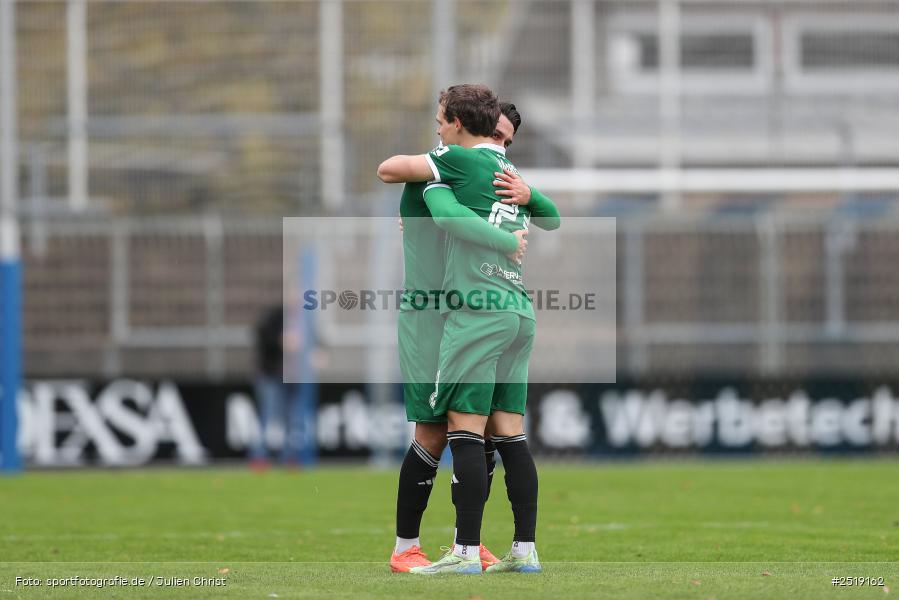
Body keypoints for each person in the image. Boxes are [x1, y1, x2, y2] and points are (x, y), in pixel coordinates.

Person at [379, 84, 560, 574]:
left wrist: (524, 204)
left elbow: (541, 216)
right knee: (435, 431)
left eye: (507, 142)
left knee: (475, 430)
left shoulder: (490, 175)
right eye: (496, 135)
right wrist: (505, 238)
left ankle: (469, 542)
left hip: (468, 310)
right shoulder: (440, 171)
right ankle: (406, 547)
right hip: (430, 313)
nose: (500, 150)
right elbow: (441, 210)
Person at [249, 304, 317, 468]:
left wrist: (319, 352)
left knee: (292, 419)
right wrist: (281, 339)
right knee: (267, 416)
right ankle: (259, 456)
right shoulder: (275, 316)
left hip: (293, 378)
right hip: (270, 375)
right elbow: (262, 334)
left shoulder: (304, 319)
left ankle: (289, 458)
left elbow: (316, 339)